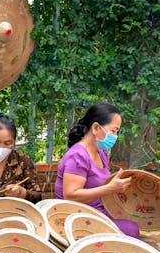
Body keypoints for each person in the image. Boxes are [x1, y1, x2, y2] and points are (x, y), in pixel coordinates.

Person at [54, 102, 139, 238]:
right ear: (95, 128)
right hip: (75, 216)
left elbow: (102, 186)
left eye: (118, 132)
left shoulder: (102, 153)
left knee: (135, 222)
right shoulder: (78, 156)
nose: (115, 136)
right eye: (113, 131)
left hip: (96, 211)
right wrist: (110, 188)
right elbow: (70, 195)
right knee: (131, 230)